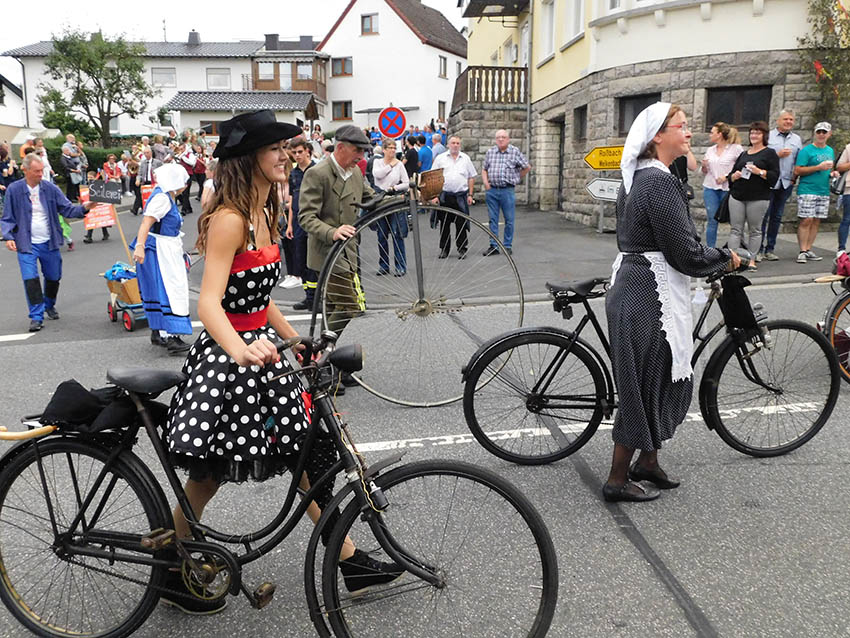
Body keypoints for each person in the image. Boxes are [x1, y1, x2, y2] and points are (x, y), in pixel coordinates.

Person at [159, 111, 401, 614]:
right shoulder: (229, 218)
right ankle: (170, 562)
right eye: (275, 149)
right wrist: (240, 348)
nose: (285, 156)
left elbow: (259, 297)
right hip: (231, 359)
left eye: (286, 148)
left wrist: (296, 339)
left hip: (263, 352)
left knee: (303, 457)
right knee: (208, 477)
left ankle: (349, 560)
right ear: (250, 158)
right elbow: (209, 303)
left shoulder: (265, 211)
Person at [604, 103, 738, 503]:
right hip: (646, 293)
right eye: (681, 126)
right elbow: (686, 254)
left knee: (658, 374)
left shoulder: (642, 177)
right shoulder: (657, 184)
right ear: (657, 137)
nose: (689, 131)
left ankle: (647, 462)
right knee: (643, 382)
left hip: (641, 285)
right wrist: (726, 258)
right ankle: (615, 479)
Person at [298, 124, 375, 350]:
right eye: (357, 151)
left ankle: (323, 360)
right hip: (327, 252)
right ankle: (321, 354)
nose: (361, 157)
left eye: (363, 152)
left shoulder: (356, 172)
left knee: (332, 308)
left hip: (348, 252)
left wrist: (408, 196)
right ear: (340, 148)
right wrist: (333, 232)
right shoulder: (317, 173)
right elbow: (306, 217)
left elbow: (372, 201)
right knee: (348, 304)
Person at [1, 154, 95, 332]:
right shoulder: (14, 190)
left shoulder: (50, 189)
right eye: (36, 171)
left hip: (49, 241)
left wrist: (86, 207)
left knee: (54, 276)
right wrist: (9, 237)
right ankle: (36, 317)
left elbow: (67, 209)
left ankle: (49, 304)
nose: (40, 174)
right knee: (31, 280)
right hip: (26, 243)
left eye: (41, 171)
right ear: (25, 170)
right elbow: (7, 218)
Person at [130, 164, 193, 354]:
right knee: (170, 289)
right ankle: (172, 337)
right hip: (160, 250)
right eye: (184, 181)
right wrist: (140, 247)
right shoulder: (162, 199)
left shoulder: (165, 195)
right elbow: (146, 223)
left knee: (158, 289)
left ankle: (158, 333)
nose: (186, 185)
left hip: (162, 247)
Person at [726, 122, 779, 271]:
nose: (754, 135)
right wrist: (734, 176)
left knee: (755, 230)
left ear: (764, 135)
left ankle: (751, 259)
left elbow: (774, 177)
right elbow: (731, 175)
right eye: (752, 133)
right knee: (735, 229)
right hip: (737, 196)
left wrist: (760, 172)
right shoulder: (743, 154)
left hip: (758, 197)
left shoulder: (770, 153)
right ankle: (732, 259)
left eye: (757, 133)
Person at [759, 109, 803, 261]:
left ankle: (769, 249)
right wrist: (777, 155)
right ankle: (758, 249)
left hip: (786, 182)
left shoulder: (797, 139)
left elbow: (799, 160)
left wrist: (794, 177)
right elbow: (760, 156)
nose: (789, 122)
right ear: (778, 120)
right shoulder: (768, 136)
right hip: (769, 182)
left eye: (791, 119)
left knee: (777, 217)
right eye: (785, 119)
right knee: (763, 216)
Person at [481, 129, 530, 256]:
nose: (501, 139)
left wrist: (517, 178)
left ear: (508, 139)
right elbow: (484, 169)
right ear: (495, 139)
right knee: (493, 219)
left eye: (503, 137)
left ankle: (507, 245)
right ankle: (493, 245)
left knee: (509, 219)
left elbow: (527, 167)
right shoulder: (491, 152)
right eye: (498, 137)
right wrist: (486, 182)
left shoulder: (514, 152)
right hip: (492, 190)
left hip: (507, 190)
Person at [793, 121, 837, 263]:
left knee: (816, 220)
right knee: (807, 219)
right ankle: (802, 250)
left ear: (829, 134)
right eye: (819, 132)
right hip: (807, 189)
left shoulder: (829, 151)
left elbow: (828, 170)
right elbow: (798, 170)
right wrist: (818, 167)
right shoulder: (806, 151)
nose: (821, 135)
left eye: (824, 132)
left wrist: (832, 174)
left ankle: (809, 249)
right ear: (814, 133)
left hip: (823, 190)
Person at [431, 135, 477, 259]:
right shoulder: (440, 159)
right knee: (444, 225)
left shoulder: (465, 159)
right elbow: (433, 177)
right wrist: (434, 196)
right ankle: (444, 250)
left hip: (460, 197)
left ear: (460, 145)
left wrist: (470, 195)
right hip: (445, 196)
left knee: (461, 224)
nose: (455, 145)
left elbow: (471, 177)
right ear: (448, 144)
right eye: (453, 143)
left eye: (457, 143)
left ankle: (462, 249)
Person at [700, 122, 743, 247]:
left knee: (734, 220)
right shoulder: (710, 150)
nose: (710, 135)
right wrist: (703, 166)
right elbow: (704, 172)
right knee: (712, 220)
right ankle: (710, 250)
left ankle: (736, 249)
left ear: (719, 134)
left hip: (728, 188)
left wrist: (726, 177)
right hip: (711, 187)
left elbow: (741, 167)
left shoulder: (736, 149)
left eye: (712, 132)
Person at [371, 137, 409, 276]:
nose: (393, 150)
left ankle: (400, 266)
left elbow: (406, 182)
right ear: (384, 150)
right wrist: (390, 165)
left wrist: (395, 187)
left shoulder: (399, 164)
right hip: (381, 199)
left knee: (397, 233)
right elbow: (377, 175)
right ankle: (384, 265)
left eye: (394, 148)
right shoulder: (378, 162)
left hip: (394, 198)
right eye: (390, 148)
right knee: (381, 235)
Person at [289, 138, 317, 307]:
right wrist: (290, 224)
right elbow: (292, 199)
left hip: (313, 220)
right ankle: (309, 297)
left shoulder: (316, 170)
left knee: (314, 261)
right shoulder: (293, 173)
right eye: (294, 153)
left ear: (307, 151)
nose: (297, 155)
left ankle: (317, 297)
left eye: (300, 152)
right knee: (301, 261)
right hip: (298, 222)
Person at [835, 140, 850, 256]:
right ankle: (841, 249)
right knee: (847, 219)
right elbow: (839, 167)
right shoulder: (848, 148)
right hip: (849, 190)